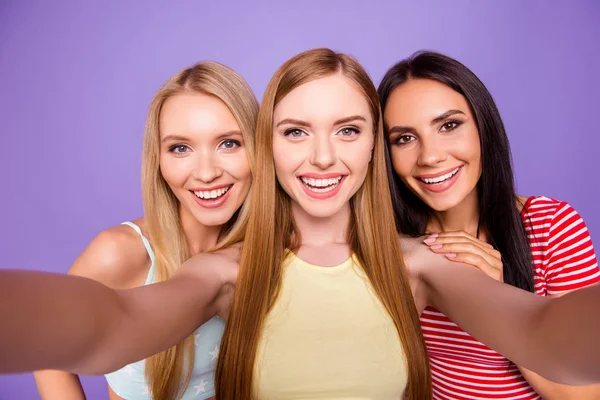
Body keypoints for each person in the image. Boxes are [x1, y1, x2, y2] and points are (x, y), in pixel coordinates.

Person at [2, 49, 600, 399]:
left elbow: (544, 331)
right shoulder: (228, 273)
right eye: (295, 132)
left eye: (348, 129)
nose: (321, 157)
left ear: (372, 147)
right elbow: (111, 325)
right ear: (269, 147)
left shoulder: (418, 261)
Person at [378, 50, 600, 399]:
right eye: (404, 138)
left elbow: (584, 395)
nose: (430, 156)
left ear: (483, 127)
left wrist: (498, 302)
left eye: (449, 126)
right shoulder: (391, 241)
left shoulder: (550, 226)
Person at [34, 61, 258, 400]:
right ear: (159, 161)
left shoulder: (267, 250)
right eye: (180, 148)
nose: (206, 172)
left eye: (228, 143)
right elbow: (46, 345)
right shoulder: (121, 252)